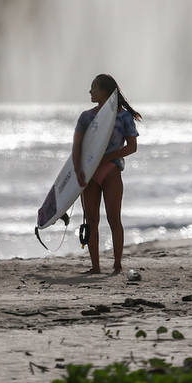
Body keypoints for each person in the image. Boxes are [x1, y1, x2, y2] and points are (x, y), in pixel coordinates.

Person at [73, 74, 140, 274]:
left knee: (114, 219)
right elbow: (76, 148)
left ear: (105, 91)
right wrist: (78, 172)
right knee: (91, 220)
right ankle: (95, 266)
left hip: (111, 171)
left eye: (94, 88)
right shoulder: (86, 117)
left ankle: (117, 264)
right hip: (89, 174)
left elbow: (132, 147)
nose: (90, 92)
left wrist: (107, 158)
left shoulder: (123, 117)